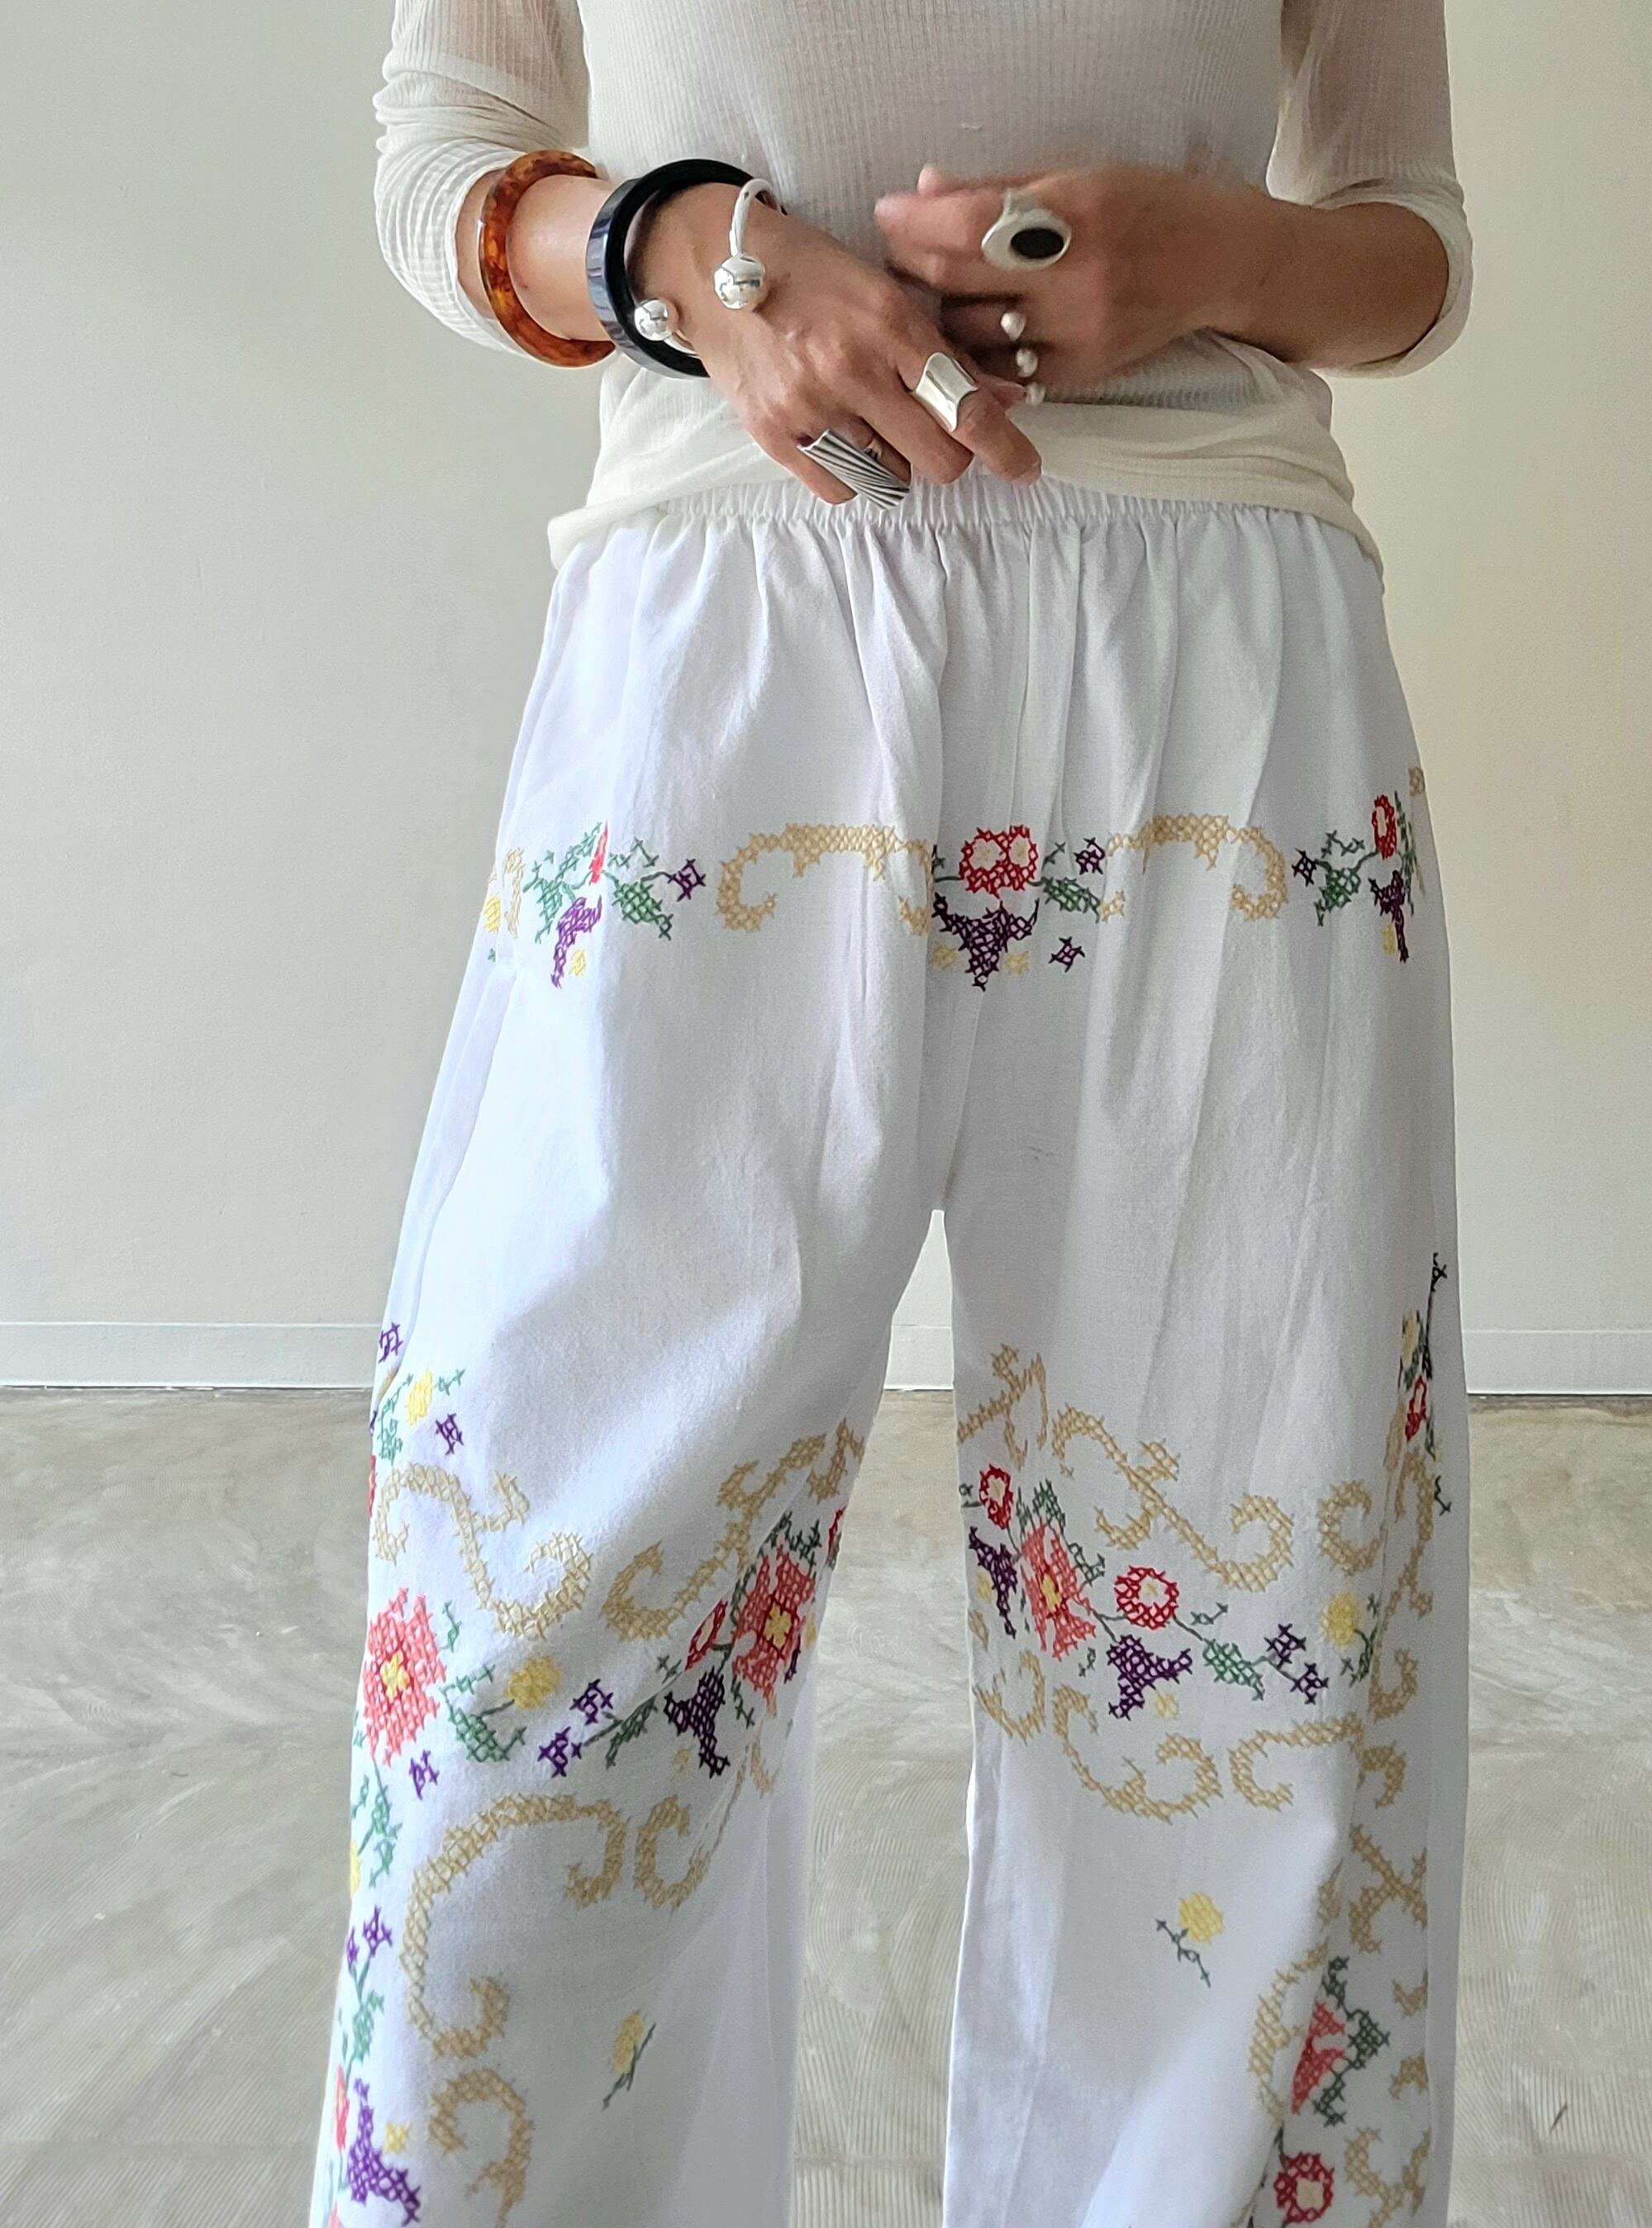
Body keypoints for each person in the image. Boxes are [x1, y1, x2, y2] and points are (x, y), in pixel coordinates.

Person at [312, 2, 1473, 2223]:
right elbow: (444, 156)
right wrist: (687, 250)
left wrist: (1215, 257)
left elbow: (1406, 242)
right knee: (546, 1611)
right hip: (727, 642)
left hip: (1220, 659)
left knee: (1254, 1628)